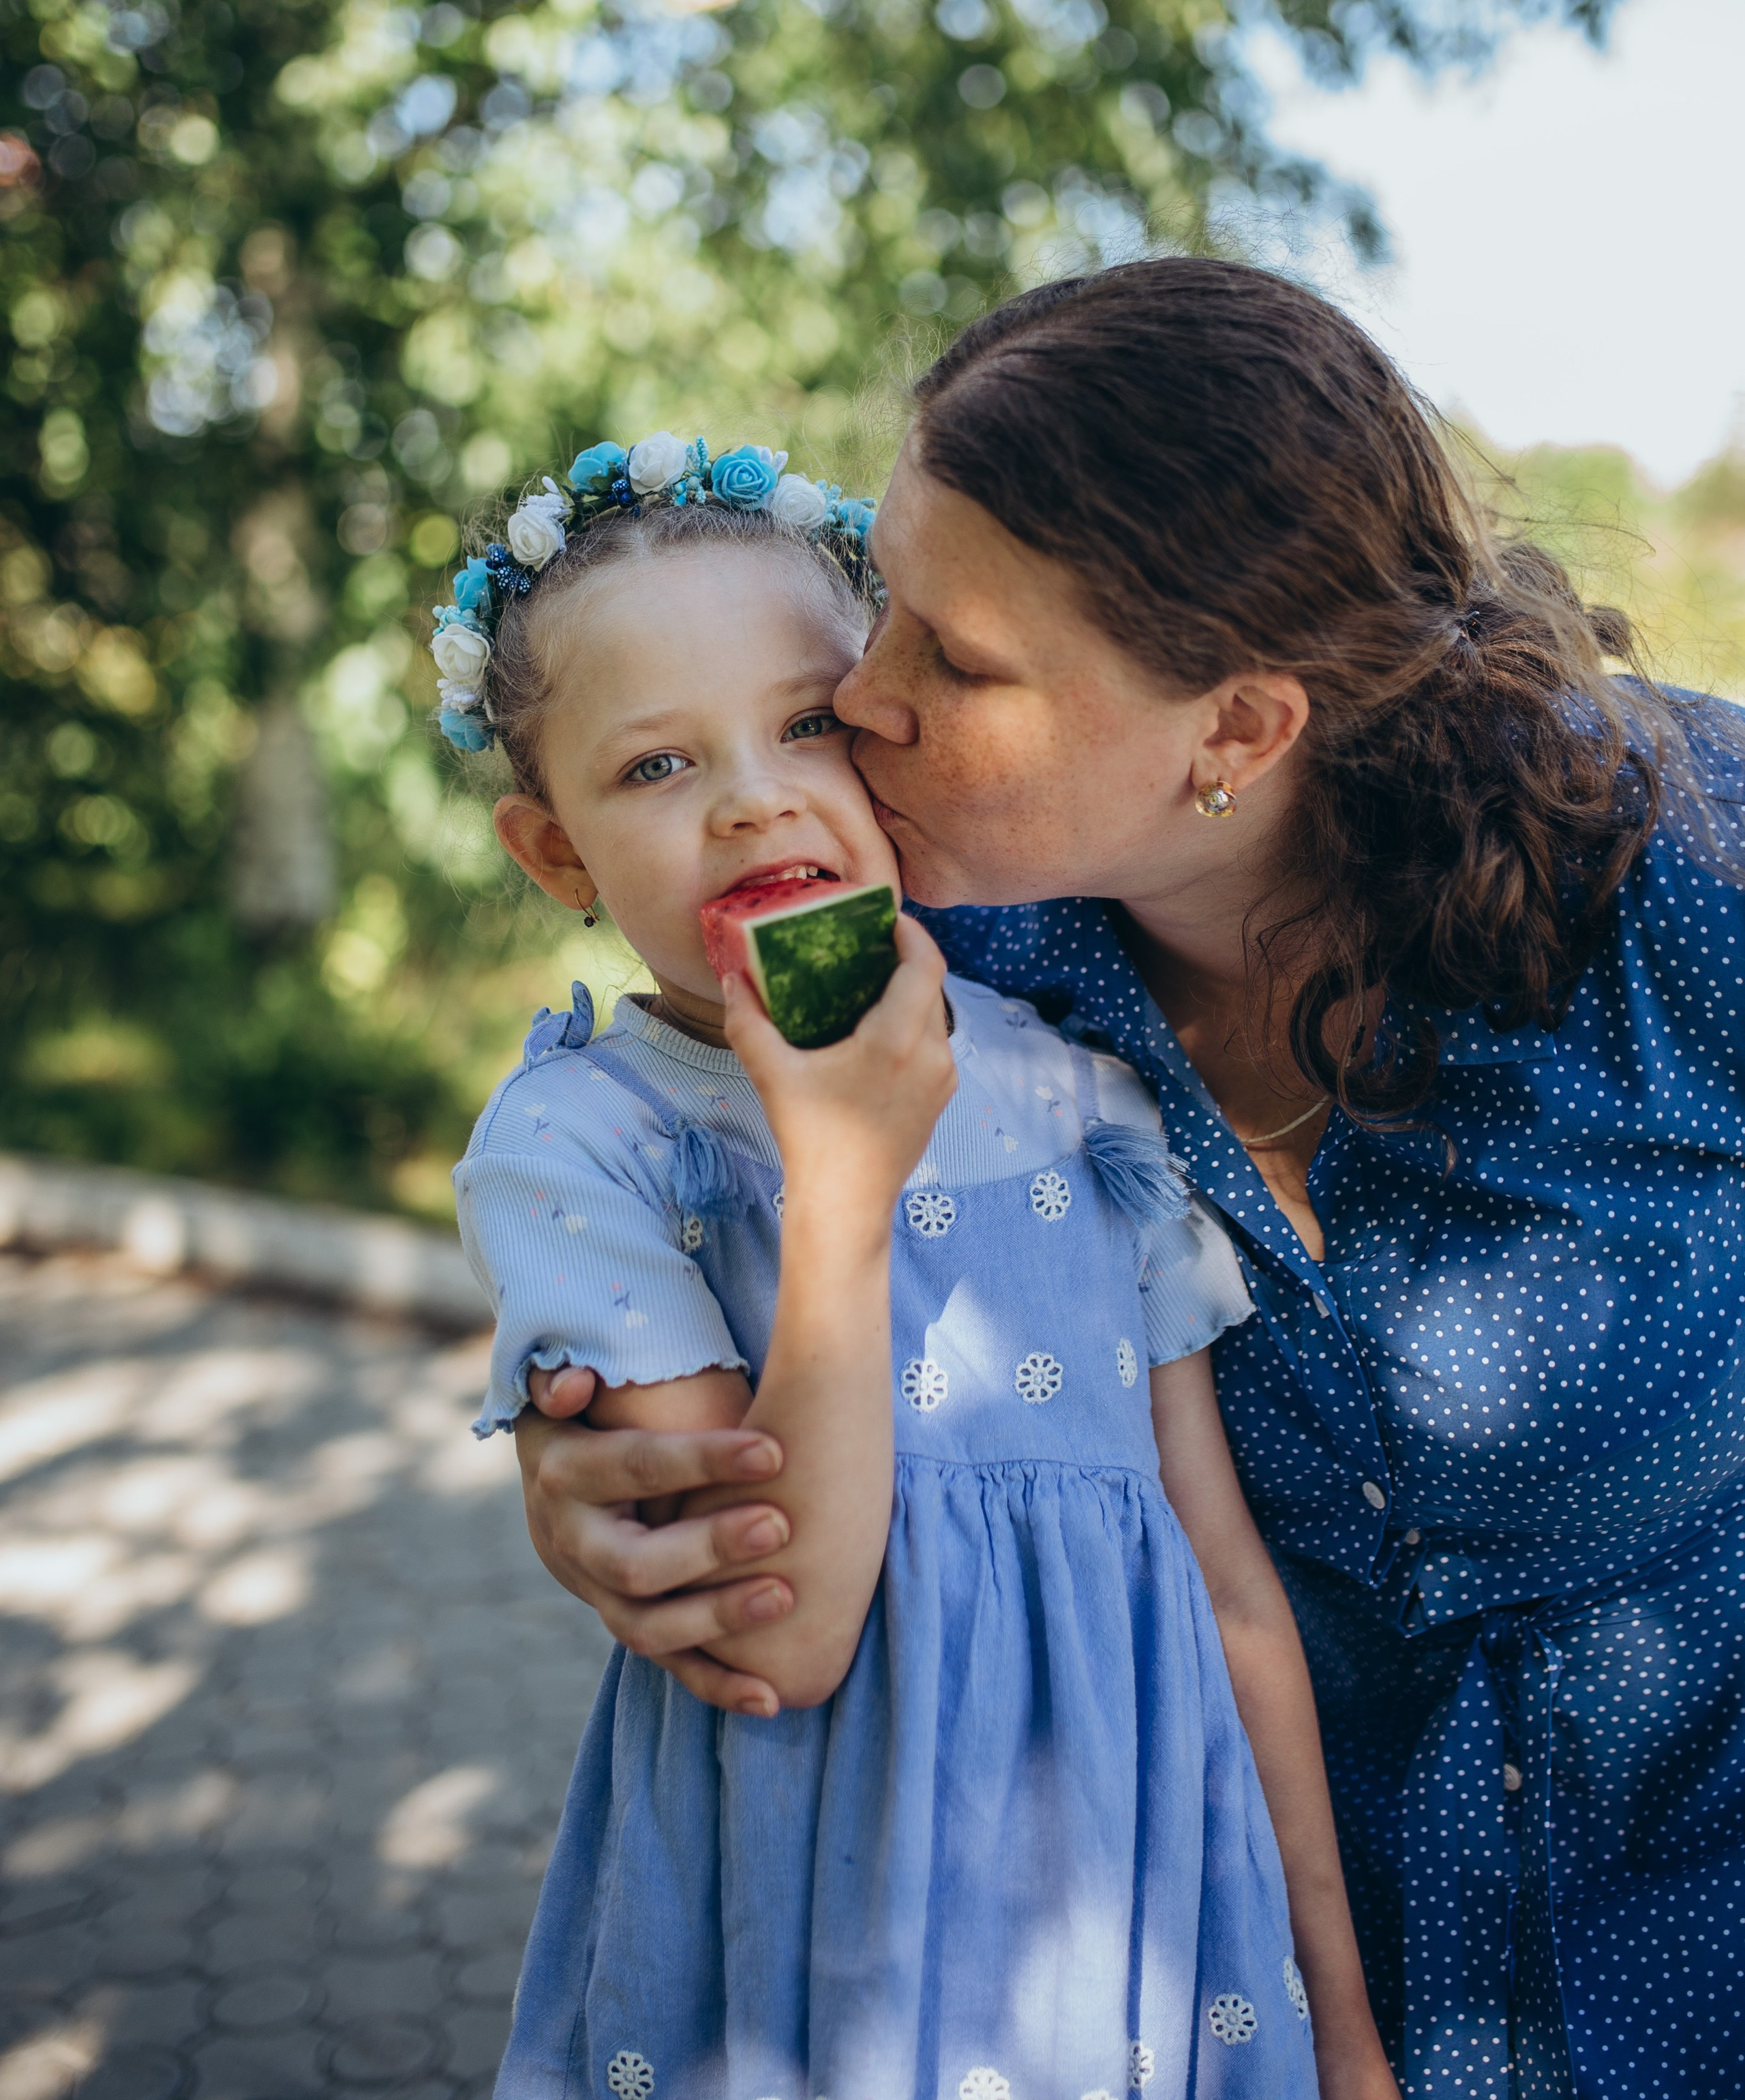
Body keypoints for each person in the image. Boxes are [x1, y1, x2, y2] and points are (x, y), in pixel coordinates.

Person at [513, 262, 1745, 2099]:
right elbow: (684, 1208)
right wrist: (597, 1458)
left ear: (1235, 733)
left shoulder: (1684, 868)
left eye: (954, 659)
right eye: (883, 602)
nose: (860, 694)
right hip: (1236, 1991)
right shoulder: (933, 985)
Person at [436, 432, 1396, 2096]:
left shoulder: (1083, 1095)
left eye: (805, 721)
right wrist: (840, 1184)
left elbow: (1227, 1584)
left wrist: (1340, 2022)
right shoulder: (581, 1145)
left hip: (1130, 1927)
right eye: (654, 765)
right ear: (555, 853)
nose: (753, 797)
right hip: (821, 1935)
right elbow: (780, 1634)